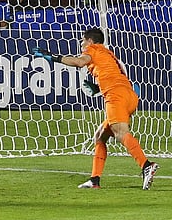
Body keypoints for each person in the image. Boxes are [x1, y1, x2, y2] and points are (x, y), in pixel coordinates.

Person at [32, 27, 159, 190]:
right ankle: (94, 180)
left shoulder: (92, 49)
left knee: (120, 132)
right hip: (130, 96)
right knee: (100, 136)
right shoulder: (108, 54)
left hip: (116, 96)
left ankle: (146, 165)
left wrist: (52, 57)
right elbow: (118, 75)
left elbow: (79, 62)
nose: (81, 44)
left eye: (82, 41)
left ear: (90, 41)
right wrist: (98, 88)